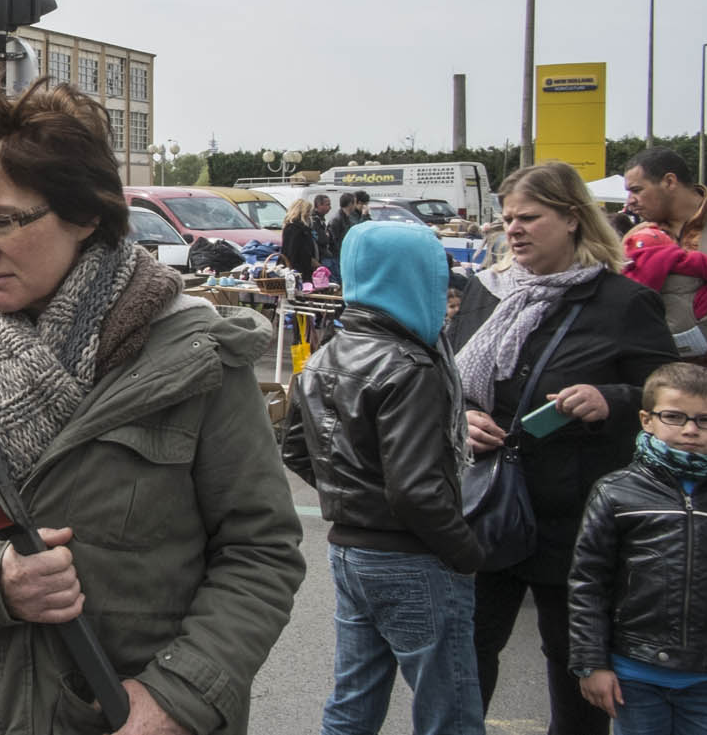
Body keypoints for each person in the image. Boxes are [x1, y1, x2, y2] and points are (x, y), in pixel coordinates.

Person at [0, 74, 305, 735]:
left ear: (87, 214)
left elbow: (261, 549)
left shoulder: (193, 355)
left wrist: (181, 695)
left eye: (6, 220)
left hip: (130, 715)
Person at [449, 160, 679, 735]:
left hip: (575, 515)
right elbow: (445, 382)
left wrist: (615, 399)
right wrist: (463, 417)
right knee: (467, 655)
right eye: (507, 219)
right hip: (488, 505)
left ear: (574, 219)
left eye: (530, 217)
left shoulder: (623, 301)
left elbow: (670, 396)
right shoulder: (485, 291)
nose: (515, 229)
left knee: (574, 665)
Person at [284, 221, 486, 735]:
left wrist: (349, 493)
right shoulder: (411, 365)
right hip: (411, 555)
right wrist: (467, 553)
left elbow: (295, 448)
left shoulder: (327, 354)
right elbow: (416, 491)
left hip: (349, 551)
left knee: (354, 701)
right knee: (451, 711)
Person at [568, 362, 707, 735]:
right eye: (674, 416)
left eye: (705, 420)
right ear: (646, 419)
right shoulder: (616, 491)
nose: (689, 429)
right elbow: (588, 582)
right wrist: (592, 663)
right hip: (634, 674)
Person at [625, 148, 707, 363]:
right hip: (654, 371)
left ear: (669, 181)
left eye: (637, 190)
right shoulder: (636, 237)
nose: (629, 201)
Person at [279, 198, 321, 276]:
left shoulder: (292, 227)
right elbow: (293, 251)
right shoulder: (296, 229)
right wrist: (311, 260)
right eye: (308, 212)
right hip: (299, 269)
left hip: (299, 267)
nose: (310, 215)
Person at [326, 192, 359, 270]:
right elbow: (334, 241)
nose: (355, 206)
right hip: (337, 257)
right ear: (350, 204)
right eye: (355, 203)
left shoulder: (347, 217)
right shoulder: (337, 219)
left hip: (343, 255)